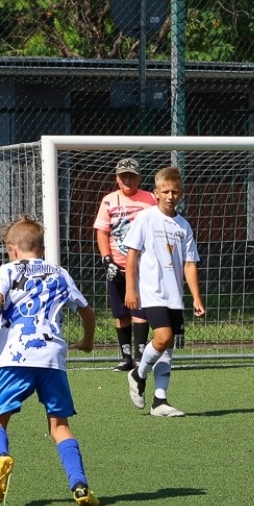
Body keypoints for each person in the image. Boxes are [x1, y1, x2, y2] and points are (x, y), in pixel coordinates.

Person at [0, 216, 100, 506]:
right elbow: (87, 312)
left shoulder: (8, 270)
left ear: (13, 249)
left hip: (14, 357)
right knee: (59, 425)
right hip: (52, 357)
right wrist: (87, 341)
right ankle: (79, 484)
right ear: (42, 249)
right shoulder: (60, 273)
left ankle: (2, 458)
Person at [122, 165, 205, 417]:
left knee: (168, 349)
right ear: (156, 192)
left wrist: (197, 298)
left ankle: (160, 400)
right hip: (151, 291)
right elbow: (132, 255)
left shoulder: (183, 226)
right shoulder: (146, 218)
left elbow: (189, 264)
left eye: (176, 191)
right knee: (163, 337)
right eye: (166, 191)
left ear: (181, 193)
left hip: (174, 296)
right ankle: (138, 373)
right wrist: (130, 289)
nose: (171, 196)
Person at [92, 157, 157, 372]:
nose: (127, 180)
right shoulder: (109, 200)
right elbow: (102, 231)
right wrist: (106, 258)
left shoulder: (150, 199)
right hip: (116, 265)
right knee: (120, 312)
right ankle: (125, 356)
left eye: (132, 175)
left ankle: (140, 357)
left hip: (142, 266)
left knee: (140, 309)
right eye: (123, 176)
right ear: (117, 178)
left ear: (139, 177)